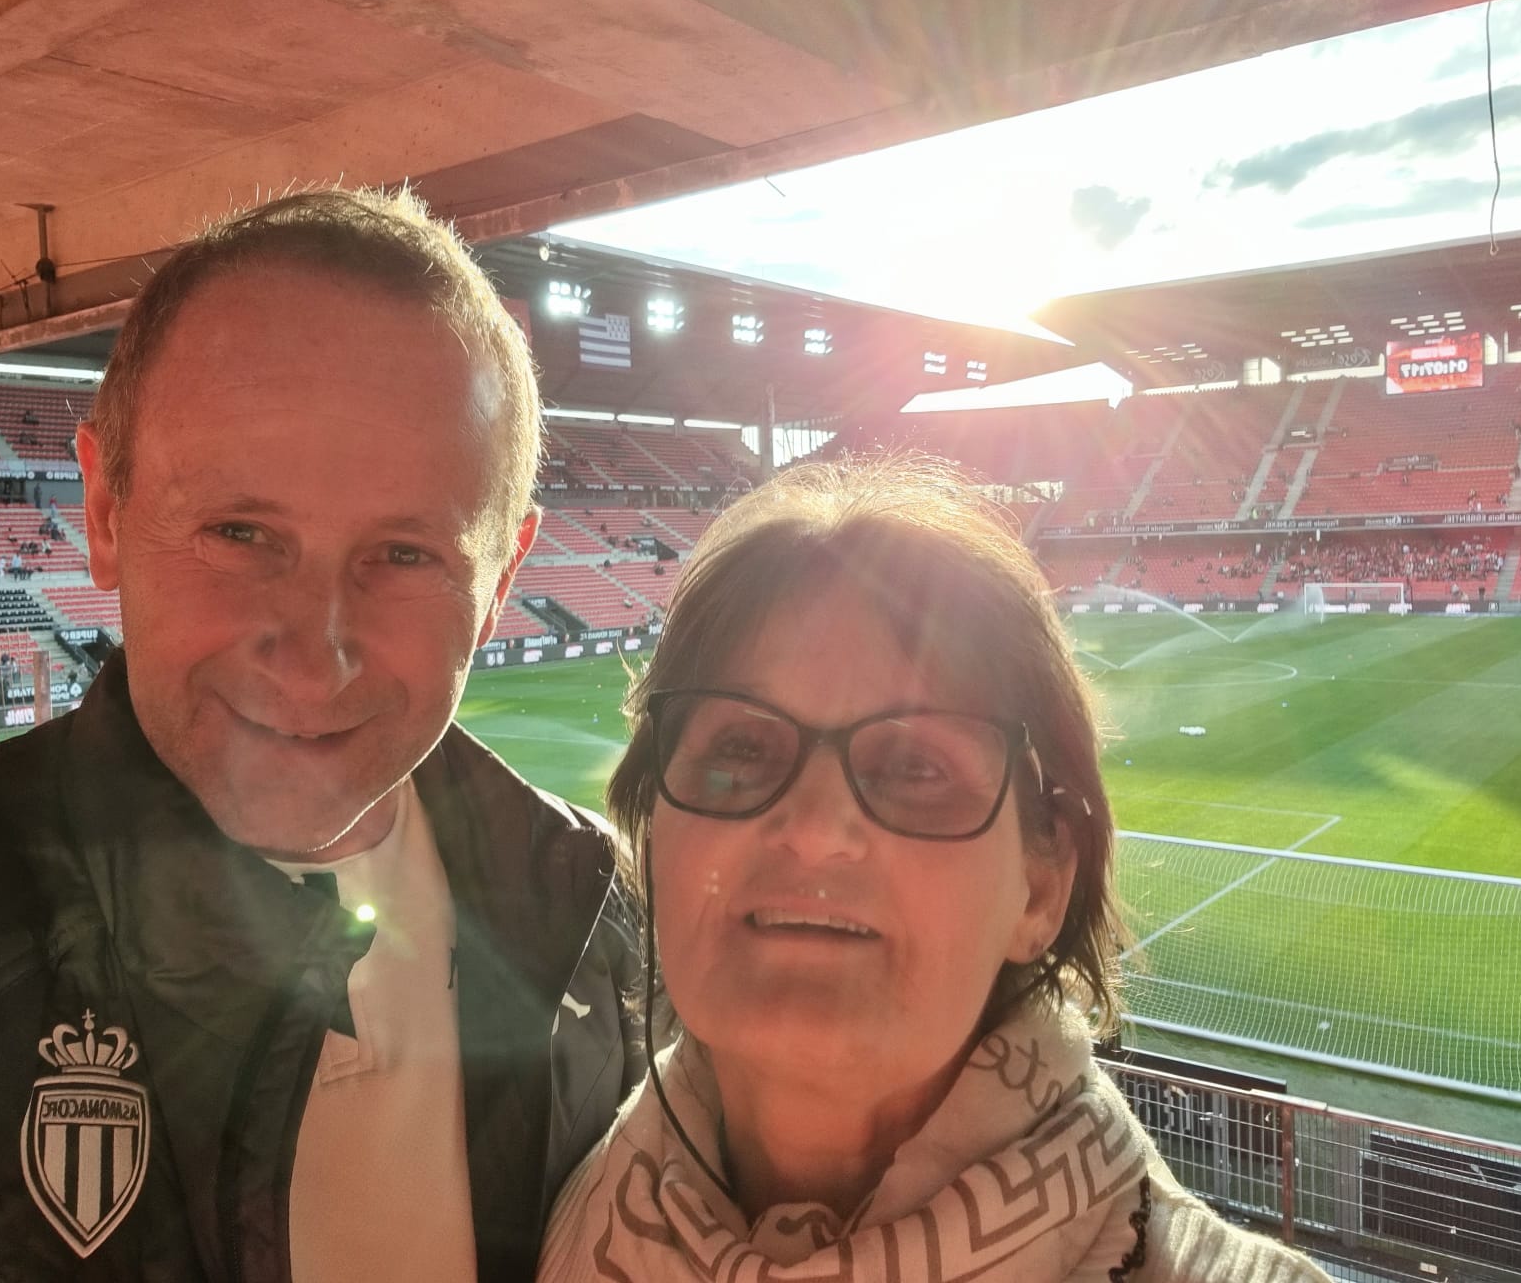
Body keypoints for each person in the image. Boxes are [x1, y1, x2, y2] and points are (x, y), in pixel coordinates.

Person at [0, 187, 639, 1281]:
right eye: (239, 532)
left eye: (406, 555)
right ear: (105, 512)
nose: (315, 655)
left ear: (504, 576)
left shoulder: (606, 919)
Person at [540, 457, 1329, 1283]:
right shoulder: (542, 1215)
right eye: (740, 748)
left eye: (915, 767)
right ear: (652, 838)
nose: (814, 831)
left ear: (1041, 887)